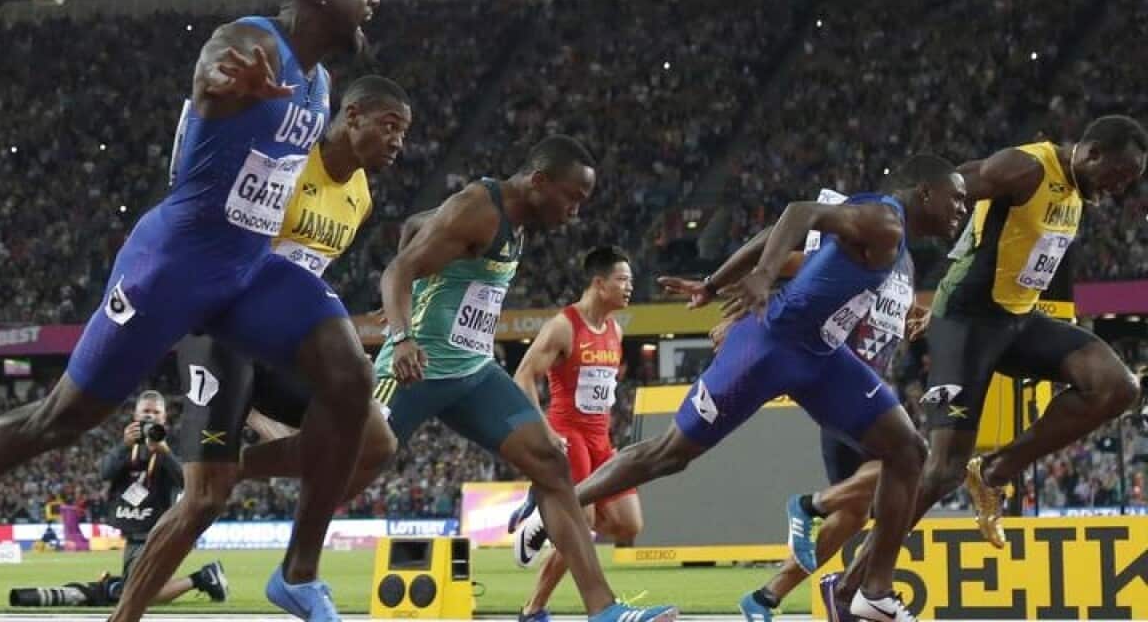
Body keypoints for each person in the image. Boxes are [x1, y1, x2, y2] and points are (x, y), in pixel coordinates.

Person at [0, 0, 379, 618]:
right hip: (174, 264)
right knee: (63, 418)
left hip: (249, 270)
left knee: (350, 378)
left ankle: (297, 572)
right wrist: (218, 79)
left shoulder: (318, 87)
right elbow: (214, 68)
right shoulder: (254, 42)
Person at [513, 155, 968, 622]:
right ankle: (556, 504)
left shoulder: (898, 246)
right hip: (769, 346)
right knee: (670, 454)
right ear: (926, 192)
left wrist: (712, 284)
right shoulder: (882, 218)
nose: (962, 209)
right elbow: (796, 215)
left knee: (908, 450)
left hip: (823, 357)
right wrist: (760, 277)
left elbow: (776, 235)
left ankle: (872, 590)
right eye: (956, 199)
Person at [109, 75, 411, 622]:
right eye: (390, 127)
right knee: (203, 500)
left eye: (404, 133)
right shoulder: (289, 163)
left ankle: (288, 561)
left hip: (283, 336)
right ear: (352, 116)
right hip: (222, 330)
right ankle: (124, 617)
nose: (398, 143)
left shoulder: (360, 196)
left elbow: (308, 270)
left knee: (375, 440)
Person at [833, 116, 1148, 615]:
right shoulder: (1025, 168)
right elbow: (938, 191)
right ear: (1092, 152)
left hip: (1019, 322)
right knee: (939, 473)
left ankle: (996, 472)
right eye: (1121, 175)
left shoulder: (1074, 190)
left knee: (1117, 386)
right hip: (967, 321)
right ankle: (852, 589)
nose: (1121, 189)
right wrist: (874, 248)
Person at [366, 136, 676, 622]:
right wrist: (403, 331)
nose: (575, 211)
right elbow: (398, 269)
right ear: (538, 182)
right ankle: (250, 475)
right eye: (572, 197)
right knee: (347, 469)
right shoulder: (479, 207)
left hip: (471, 369)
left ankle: (605, 611)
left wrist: (421, 290)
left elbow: (412, 225)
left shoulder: (519, 221)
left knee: (553, 464)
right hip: (416, 368)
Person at [726, 205, 932, 622]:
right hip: (844, 390)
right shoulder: (862, 250)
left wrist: (920, 315)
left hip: (874, 395)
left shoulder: (905, 264)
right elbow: (788, 266)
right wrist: (730, 299)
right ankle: (810, 505)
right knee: (913, 461)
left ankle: (765, 598)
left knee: (853, 515)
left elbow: (885, 310)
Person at [507, 246, 643, 622]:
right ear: (599, 284)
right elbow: (523, 377)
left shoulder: (615, 328)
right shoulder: (564, 325)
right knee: (582, 526)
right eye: (623, 280)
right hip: (568, 435)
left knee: (628, 524)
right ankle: (533, 610)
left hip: (602, 439)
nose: (630, 287)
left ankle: (542, 519)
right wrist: (544, 431)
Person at [99, 391, 226, 606]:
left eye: (155, 412)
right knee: (133, 590)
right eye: (145, 411)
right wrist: (124, 445)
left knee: (138, 595)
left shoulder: (175, 442)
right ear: (135, 414)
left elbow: (187, 480)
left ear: (164, 417)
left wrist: (164, 452)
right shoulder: (128, 443)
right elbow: (105, 473)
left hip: (160, 529)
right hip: (135, 528)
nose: (150, 416)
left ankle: (202, 579)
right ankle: (205, 577)